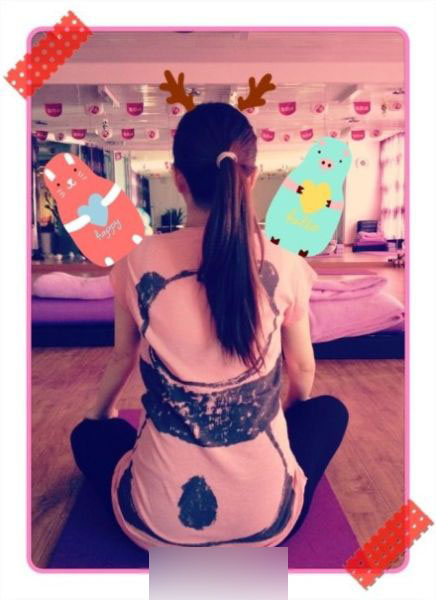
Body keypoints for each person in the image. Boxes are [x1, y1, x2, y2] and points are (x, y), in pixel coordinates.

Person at [71, 102, 348, 549]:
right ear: (252, 177)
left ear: (178, 178)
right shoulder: (285, 262)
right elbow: (302, 369)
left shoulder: (135, 260)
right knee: (329, 412)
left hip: (153, 526)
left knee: (88, 436)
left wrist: (100, 417)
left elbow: (123, 355)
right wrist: (288, 418)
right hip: (270, 522)